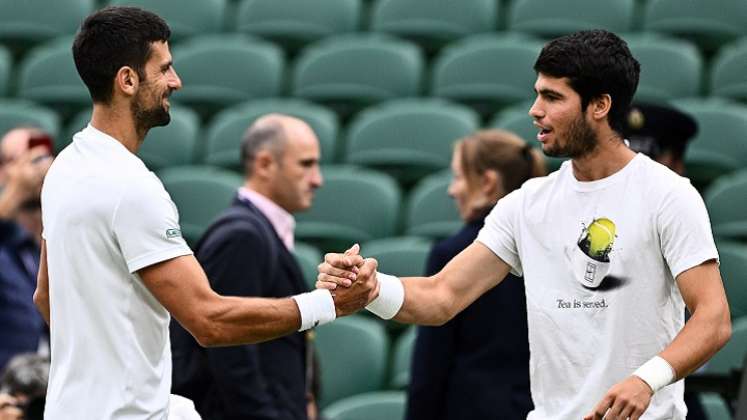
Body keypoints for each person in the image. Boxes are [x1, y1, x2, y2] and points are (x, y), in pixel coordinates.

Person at [319, 29, 731, 420]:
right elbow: (441, 296)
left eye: (553, 97)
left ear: (600, 106)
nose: (536, 111)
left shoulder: (668, 195)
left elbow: (713, 318)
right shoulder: (525, 205)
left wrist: (647, 379)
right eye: (538, 95)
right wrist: (371, 289)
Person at [35, 7, 375, 419]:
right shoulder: (132, 186)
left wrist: (114, 375)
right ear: (127, 80)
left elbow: (46, 295)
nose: (175, 82)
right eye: (164, 69)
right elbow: (208, 320)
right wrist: (329, 304)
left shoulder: (64, 168)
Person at [171, 114, 324, 420]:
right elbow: (229, 349)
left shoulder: (254, 231)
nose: (317, 179)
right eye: (306, 165)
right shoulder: (243, 237)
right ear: (265, 164)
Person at [406, 129, 544, 420]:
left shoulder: (452, 252)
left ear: (488, 182)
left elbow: (431, 364)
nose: (451, 190)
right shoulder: (551, 247)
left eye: (457, 177)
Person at [0, 128, 52, 373]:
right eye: (21, 159)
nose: (36, 168)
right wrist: (17, 190)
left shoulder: (64, 233)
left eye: (42, 157)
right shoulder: (6, 243)